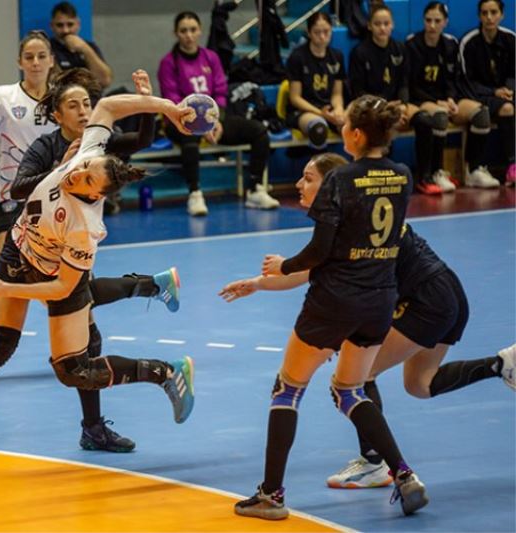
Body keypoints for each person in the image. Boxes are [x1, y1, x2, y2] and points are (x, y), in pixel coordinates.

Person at [0, 90, 197, 472]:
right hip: (19, 250)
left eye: (86, 179)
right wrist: (168, 107)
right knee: (0, 344)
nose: (77, 174)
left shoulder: (84, 227)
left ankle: (165, 371)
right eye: (84, 168)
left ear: (95, 193)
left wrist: (4, 289)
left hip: (55, 274)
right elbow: (109, 107)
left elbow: (63, 288)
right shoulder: (87, 155)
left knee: (74, 370)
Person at [220, 152, 516, 490]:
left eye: (308, 178)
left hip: (424, 302)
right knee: (420, 384)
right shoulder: (357, 212)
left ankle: (375, 463)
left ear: (332, 185)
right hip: (447, 293)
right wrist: (257, 283)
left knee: (354, 381)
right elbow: (313, 270)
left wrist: (325, 325)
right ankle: (501, 364)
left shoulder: (348, 225)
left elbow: (321, 272)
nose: (299, 184)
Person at [229, 95, 428, 520]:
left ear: (355, 134)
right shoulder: (402, 174)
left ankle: (271, 495)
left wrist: (284, 266)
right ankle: (405, 474)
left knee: (287, 388)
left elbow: (320, 251)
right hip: (380, 298)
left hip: (335, 298)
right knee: (349, 390)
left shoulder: (341, 179)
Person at [13, 67, 183, 453]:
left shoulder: (94, 160)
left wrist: (152, 104)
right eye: (73, 105)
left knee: (80, 342)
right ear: (57, 114)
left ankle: (108, 414)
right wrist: (59, 169)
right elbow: (18, 189)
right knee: (83, 323)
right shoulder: (55, 149)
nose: (83, 111)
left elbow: (138, 136)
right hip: (37, 245)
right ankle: (153, 286)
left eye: (86, 104)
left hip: (61, 254)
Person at [0, 30, 58, 347]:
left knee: (55, 275)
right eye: (29, 57)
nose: (35, 62)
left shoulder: (61, 100)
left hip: (52, 198)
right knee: (4, 269)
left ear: (51, 61)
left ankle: (81, 337)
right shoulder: (3, 97)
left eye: (41, 56)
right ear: (19, 62)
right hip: (11, 196)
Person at [158, 11, 277, 216]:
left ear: (200, 31)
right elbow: (173, 99)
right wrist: (199, 125)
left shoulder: (210, 58)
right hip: (180, 121)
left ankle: (255, 189)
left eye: (193, 30)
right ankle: (195, 194)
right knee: (190, 140)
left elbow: (221, 92)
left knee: (258, 131)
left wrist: (214, 121)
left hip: (214, 119)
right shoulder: (168, 63)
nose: (189, 35)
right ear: (176, 33)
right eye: (183, 31)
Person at [407, 2, 499, 193]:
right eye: (428, 20)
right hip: (422, 99)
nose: (432, 25)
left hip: (447, 99)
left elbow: (454, 78)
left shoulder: (450, 44)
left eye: (437, 21)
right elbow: (412, 85)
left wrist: (450, 98)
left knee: (481, 114)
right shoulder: (412, 44)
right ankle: (436, 172)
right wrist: (438, 102)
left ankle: (473, 170)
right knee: (440, 116)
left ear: (445, 22)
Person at [459, 0, 516, 185]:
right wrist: (494, 91)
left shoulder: (511, 39)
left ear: (502, 15)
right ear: (479, 16)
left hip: (506, 94)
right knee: (507, 109)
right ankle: (512, 166)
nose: (489, 17)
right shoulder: (469, 42)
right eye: (484, 13)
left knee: (508, 105)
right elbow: (466, 81)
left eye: (493, 12)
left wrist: (509, 89)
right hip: (478, 95)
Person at [284, 12, 346, 150]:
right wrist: (320, 113)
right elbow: (295, 98)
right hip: (304, 111)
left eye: (326, 32)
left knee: (352, 127)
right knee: (319, 128)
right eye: (317, 32)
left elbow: (337, 93)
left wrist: (338, 110)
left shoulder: (337, 56)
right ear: (309, 33)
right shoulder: (297, 57)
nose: (322, 37)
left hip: (328, 109)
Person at [349, 2, 414, 131]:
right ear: (369, 26)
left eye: (386, 23)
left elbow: (404, 82)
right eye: (377, 24)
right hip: (370, 107)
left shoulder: (400, 49)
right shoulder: (359, 52)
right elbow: (358, 91)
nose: (382, 28)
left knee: (421, 120)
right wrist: (382, 106)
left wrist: (403, 105)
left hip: (395, 104)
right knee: (384, 122)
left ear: (392, 25)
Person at [49, 1, 112, 89]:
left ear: (78, 24)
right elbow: (54, 82)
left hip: (91, 96)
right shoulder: (48, 48)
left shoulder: (89, 46)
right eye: (60, 25)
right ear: (52, 26)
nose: (65, 30)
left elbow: (105, 80)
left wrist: (85, 49)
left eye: (70, 24)